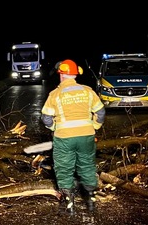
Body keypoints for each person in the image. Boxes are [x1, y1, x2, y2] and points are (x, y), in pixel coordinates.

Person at [40, 59, 105, 215]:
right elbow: (101, 112)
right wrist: (94, 126)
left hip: (64, 137)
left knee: (64, 167)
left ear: (61, 74)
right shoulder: (88, 91)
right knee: (87, 165)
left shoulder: (55, 94)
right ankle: (90, 200)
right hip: (86, 135)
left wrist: (55, 128)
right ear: (76, 74)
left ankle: (69, 203)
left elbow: (46, 118)